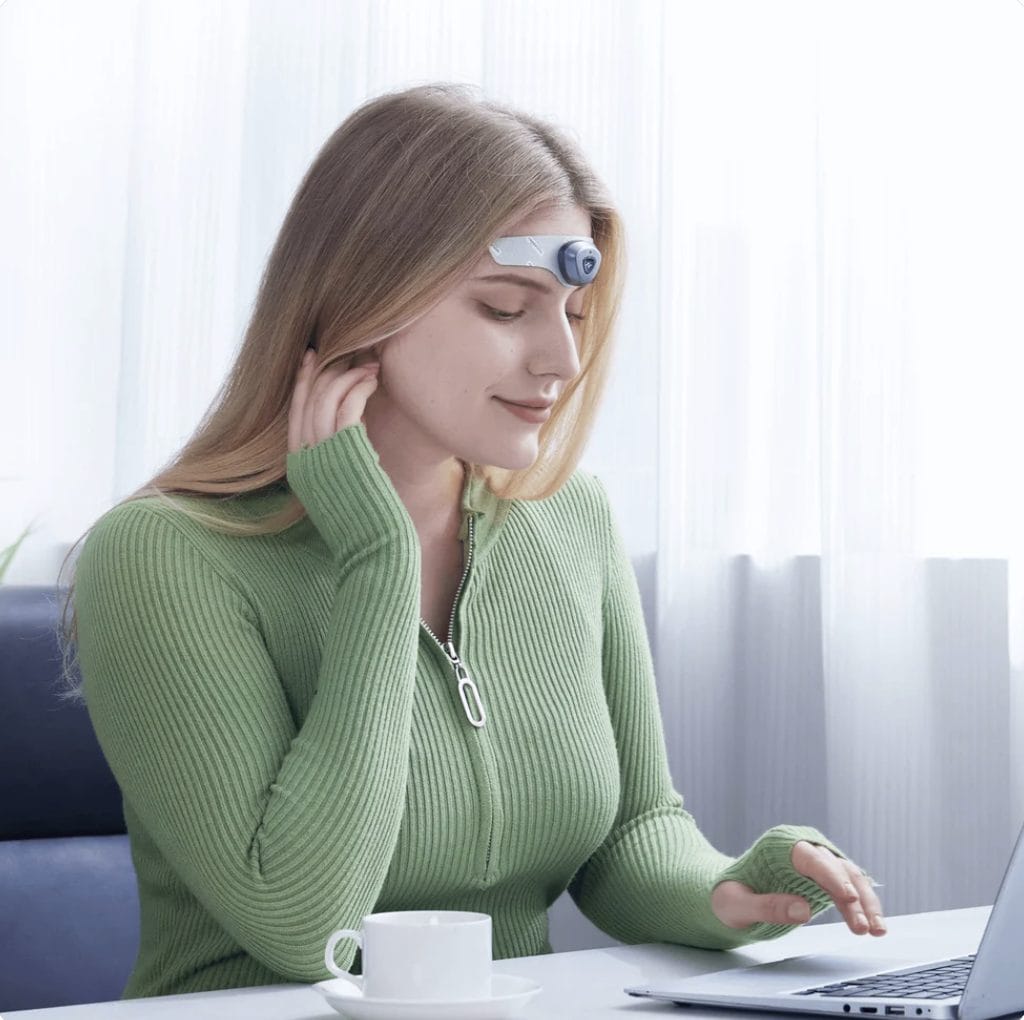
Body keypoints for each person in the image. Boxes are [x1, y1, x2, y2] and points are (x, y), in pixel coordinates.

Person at [59, 82, 885, 1001]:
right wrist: (379, 560)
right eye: (504, 308)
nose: (562, 361)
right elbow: (305, 929)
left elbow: (628, 833)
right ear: (365, 298)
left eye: (573, 313)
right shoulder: (163, 556)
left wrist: (730, 890)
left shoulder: (570, 521)